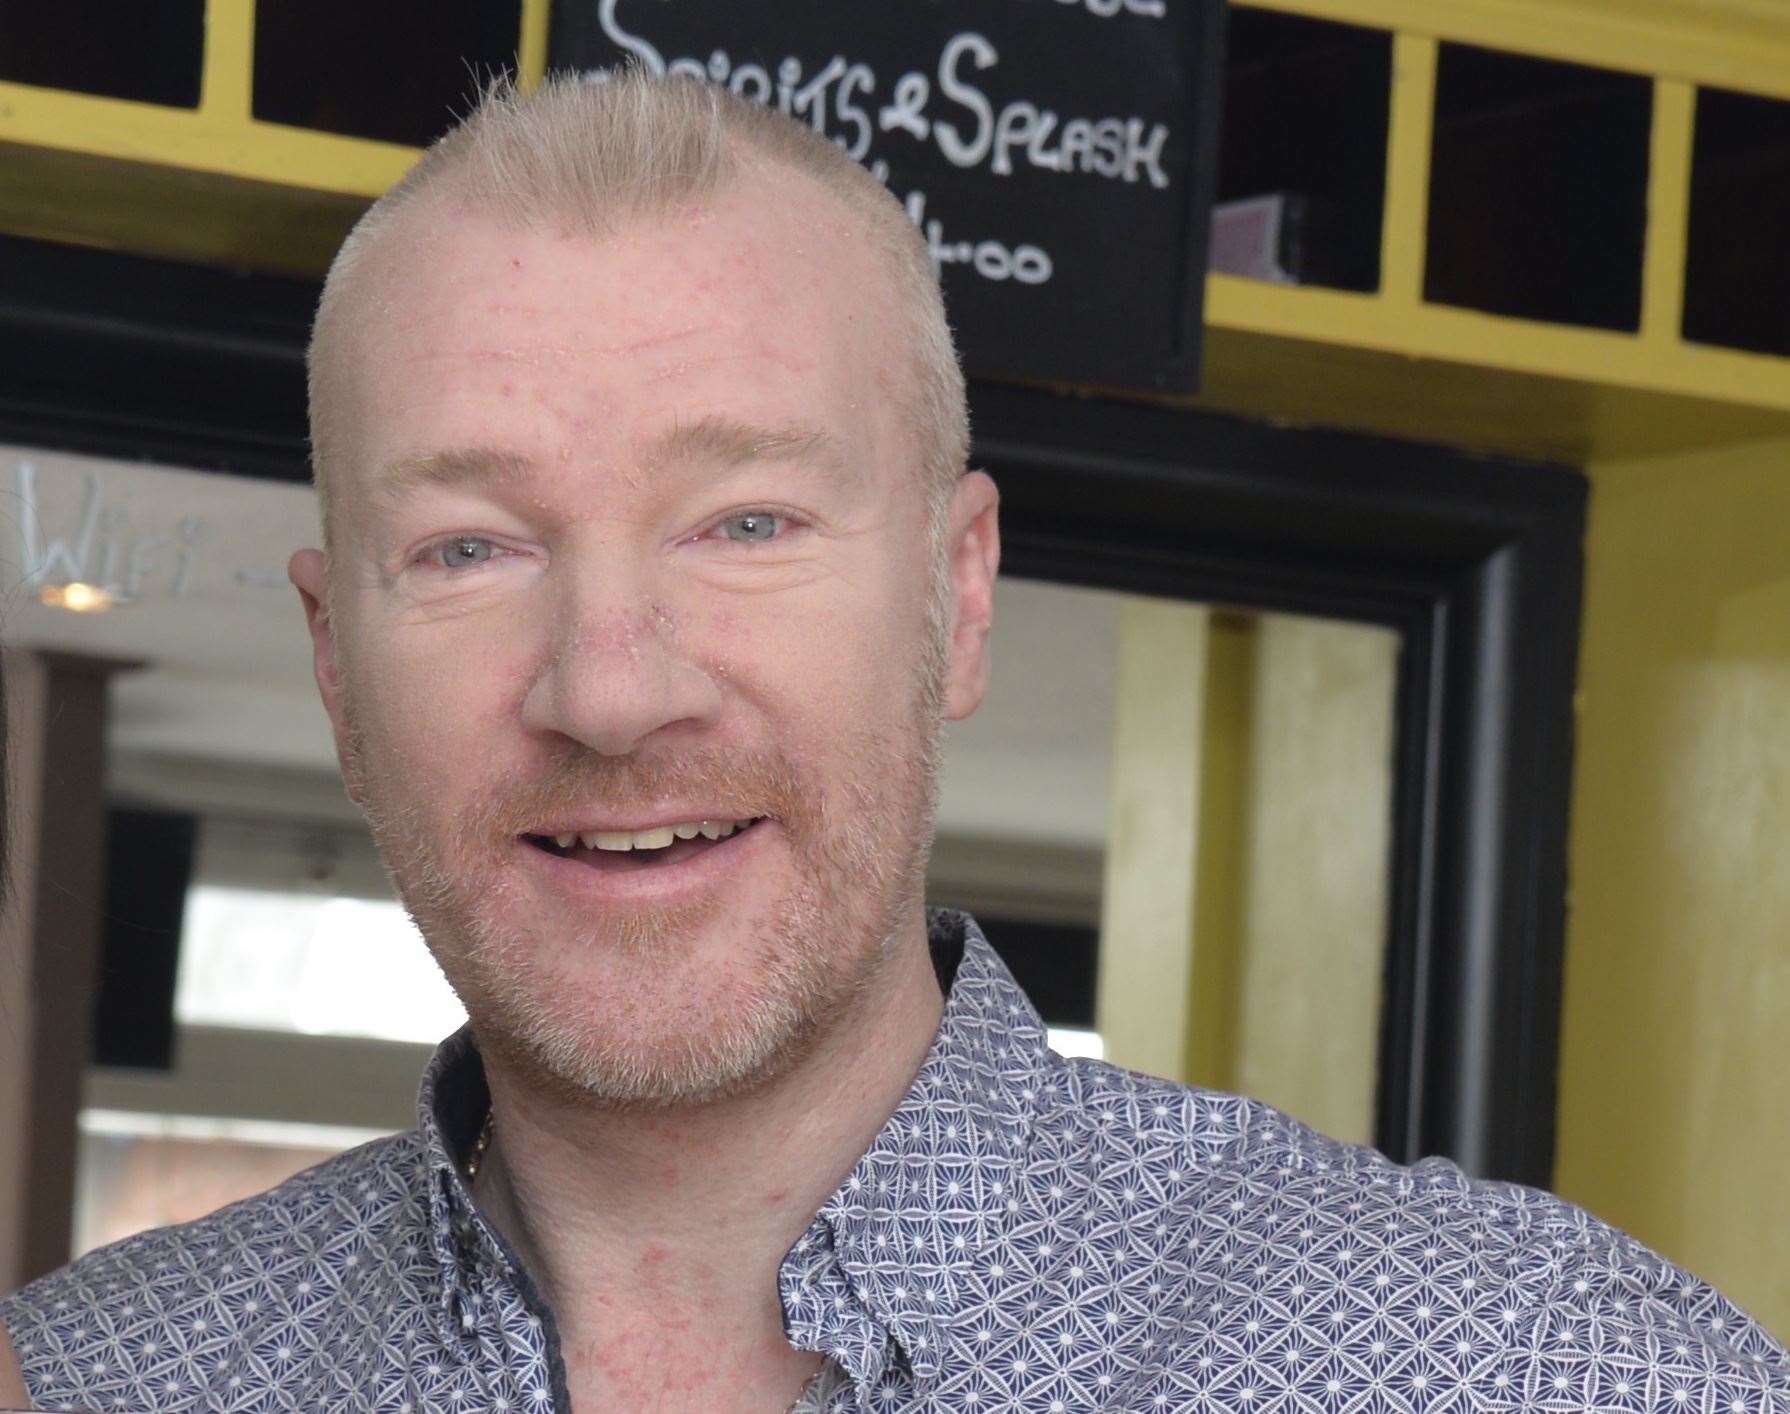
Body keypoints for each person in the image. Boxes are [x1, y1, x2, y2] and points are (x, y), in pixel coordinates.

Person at [3, 70, 1786, 1413]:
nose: (612, 689)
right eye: (470, 547)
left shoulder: (1532, 1369)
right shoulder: (95, 1384)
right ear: (334, 663)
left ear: (960, 598)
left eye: (748, 521)